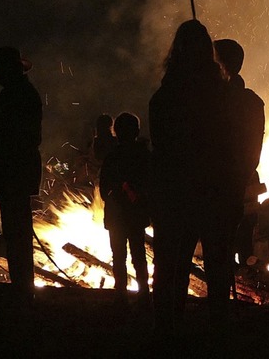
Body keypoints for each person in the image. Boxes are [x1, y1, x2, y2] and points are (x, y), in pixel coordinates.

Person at [149, 19, 236, 339]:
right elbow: (230, 145)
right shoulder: (220, 96)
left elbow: (161, 147)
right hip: (212, 190)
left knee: (171, 263)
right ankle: (218, 325)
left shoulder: (165, 97)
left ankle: (168, 325)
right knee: (216, 261)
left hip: (176, 191)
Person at [0, 46, 42, 303]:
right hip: (13, 172)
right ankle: (21, 284)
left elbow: (19, 138)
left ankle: (22, 288)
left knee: (17, 231)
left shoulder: (19, 95)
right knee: (15, 231)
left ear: (12, 69)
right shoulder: (17, 93)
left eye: (1, 70)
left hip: (13, 172)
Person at [213, 39, 265, 272]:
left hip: (214, 188)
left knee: (218, 252)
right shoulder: (253, 102)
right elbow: (253, 154)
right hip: (238, 186)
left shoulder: (213, 101)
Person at [98, 112, 151, 311]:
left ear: (116, 132)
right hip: (134, 216)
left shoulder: (113, 157)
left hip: (117, 217)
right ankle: (143, 295)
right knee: (138, 255)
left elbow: (104, 190)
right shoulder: (144, 155)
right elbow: (150, 185)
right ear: (136, 131)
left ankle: (121, 296)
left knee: (119, 256)